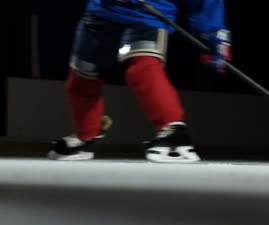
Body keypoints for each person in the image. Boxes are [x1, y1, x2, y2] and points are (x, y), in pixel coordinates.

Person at [47, 0, 232, 162]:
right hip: (99, 13)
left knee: (142, 68)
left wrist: (211, 34)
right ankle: (86, 136)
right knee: (82, 78)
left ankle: (174, 132)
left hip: (148, 14)